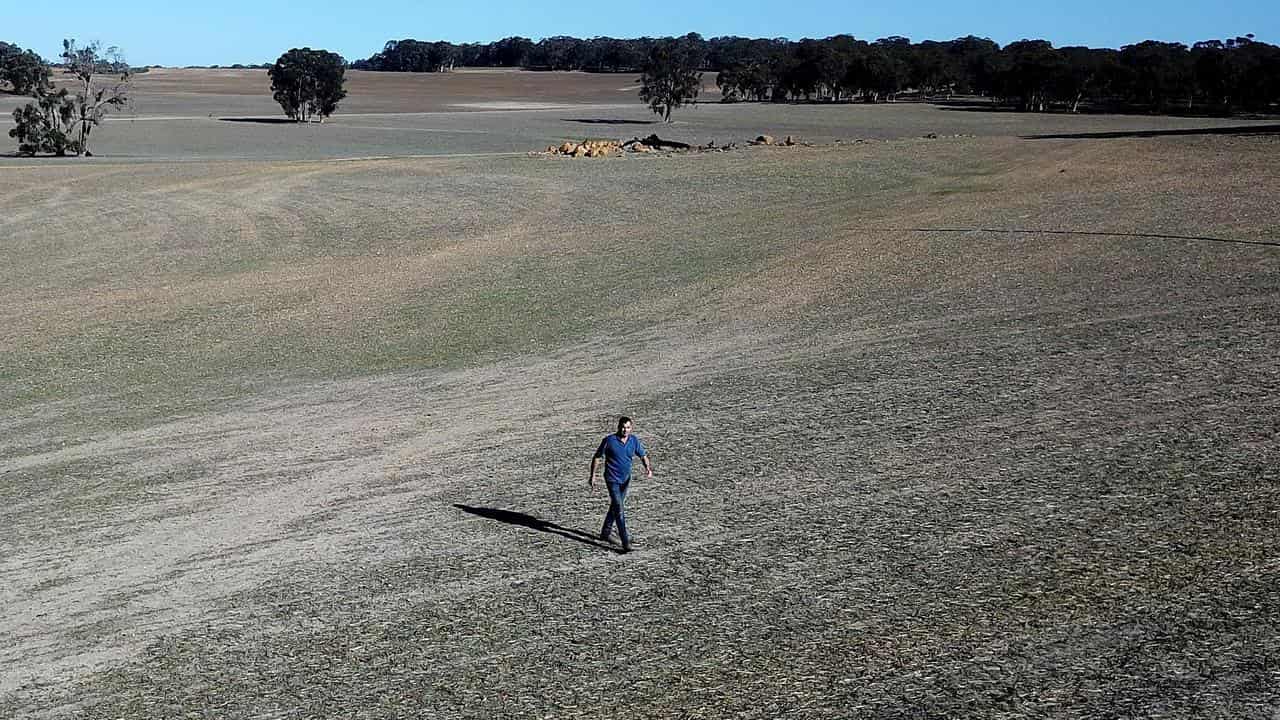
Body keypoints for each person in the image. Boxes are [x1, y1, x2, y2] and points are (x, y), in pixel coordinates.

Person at [589, 416, 653, 553]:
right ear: (619, 427)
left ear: (631, 428)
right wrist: (593, 475)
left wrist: (647, 468)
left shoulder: (633, 440)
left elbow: (643, 455)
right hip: (612, 479)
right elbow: (597, 457)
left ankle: (605, 532)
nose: (625, 430)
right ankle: (625, 542)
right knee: (619, 508)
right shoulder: (609, 441)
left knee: (616, 505)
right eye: (623, 427)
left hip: (626, 479)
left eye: (628, 427)